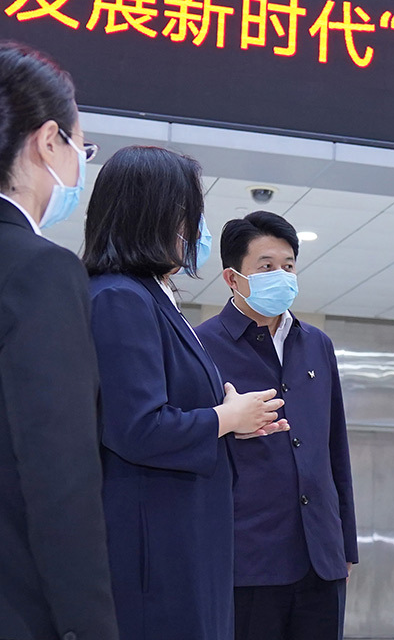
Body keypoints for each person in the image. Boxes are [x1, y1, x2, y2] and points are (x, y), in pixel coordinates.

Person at [83, 146, 286, 640]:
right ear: (155, 214)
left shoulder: (150, 295)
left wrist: (232, 421)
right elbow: (138, 427)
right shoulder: (119, 297)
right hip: (155, 548)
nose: (197, 227)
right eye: (190, 211)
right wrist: (225, 418)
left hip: (180, 534)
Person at [0, 42, 119, 640]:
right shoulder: (40, 270)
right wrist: (88, 625)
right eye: (81, 148)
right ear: (48, 140)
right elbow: (59, 475)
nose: (79, 165)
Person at [194, 210, 358, 640]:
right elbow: (188, 442)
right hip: (246, 560)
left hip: (321, 558)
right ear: (232, 278)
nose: (281, 276)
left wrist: (345, 543)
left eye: (288, 266)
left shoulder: (317, 344)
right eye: (266, 266)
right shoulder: (201, 345)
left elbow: (334, 449)